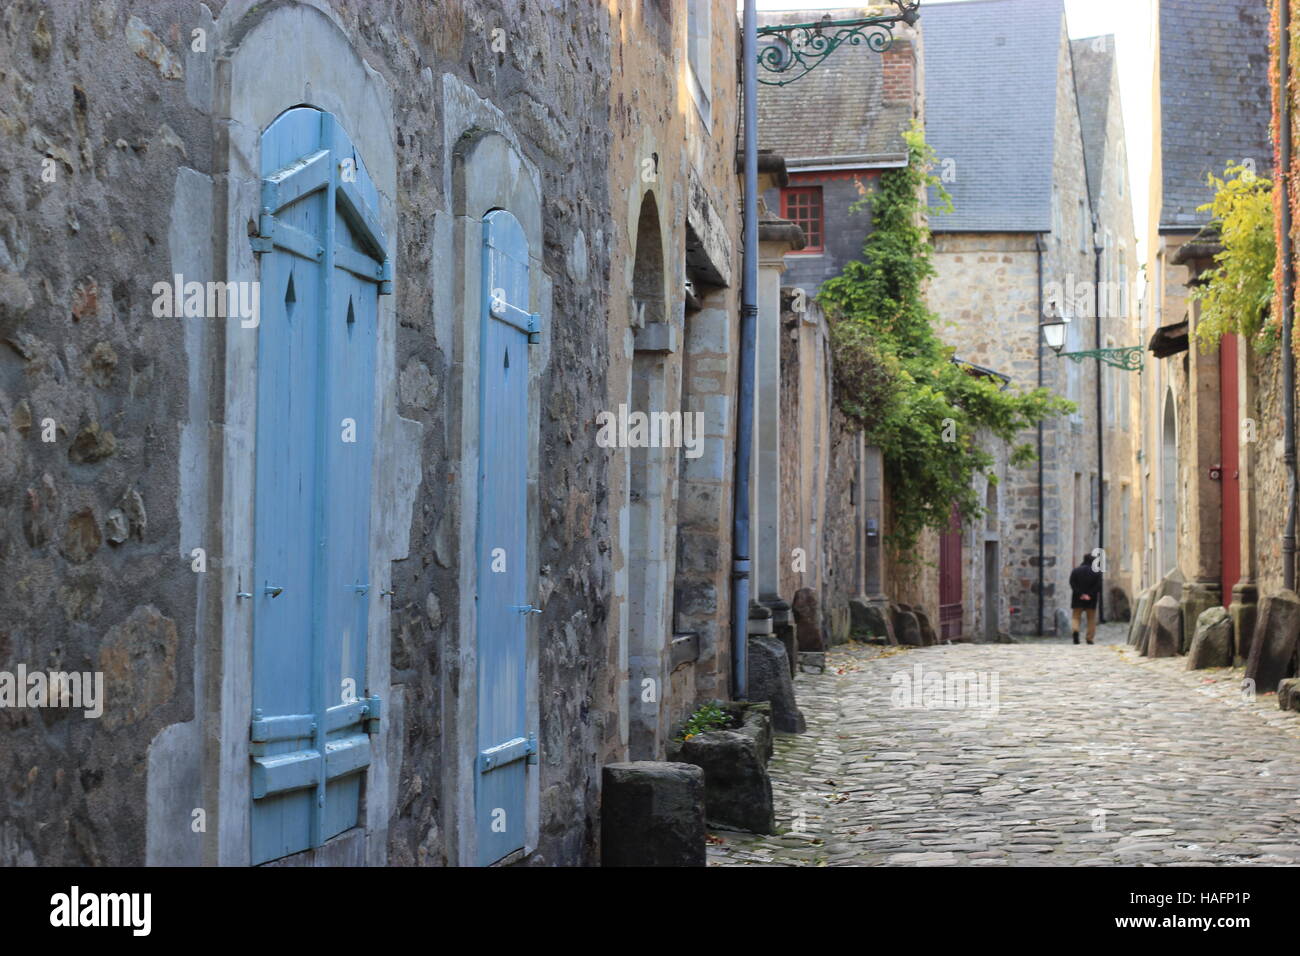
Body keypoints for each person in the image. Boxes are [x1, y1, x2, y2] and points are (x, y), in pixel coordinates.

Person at [1068, 552, 1102, 645]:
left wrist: (1081, 594)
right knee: (1091, 619)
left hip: (1077, 598)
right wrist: (1089, 595)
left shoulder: (1076, 571)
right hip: (1091, 599)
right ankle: (1089, 638)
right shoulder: (1097, 572)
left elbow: (1072, 583)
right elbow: (1098, 586)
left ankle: (1075, 631)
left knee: (1076, 617)